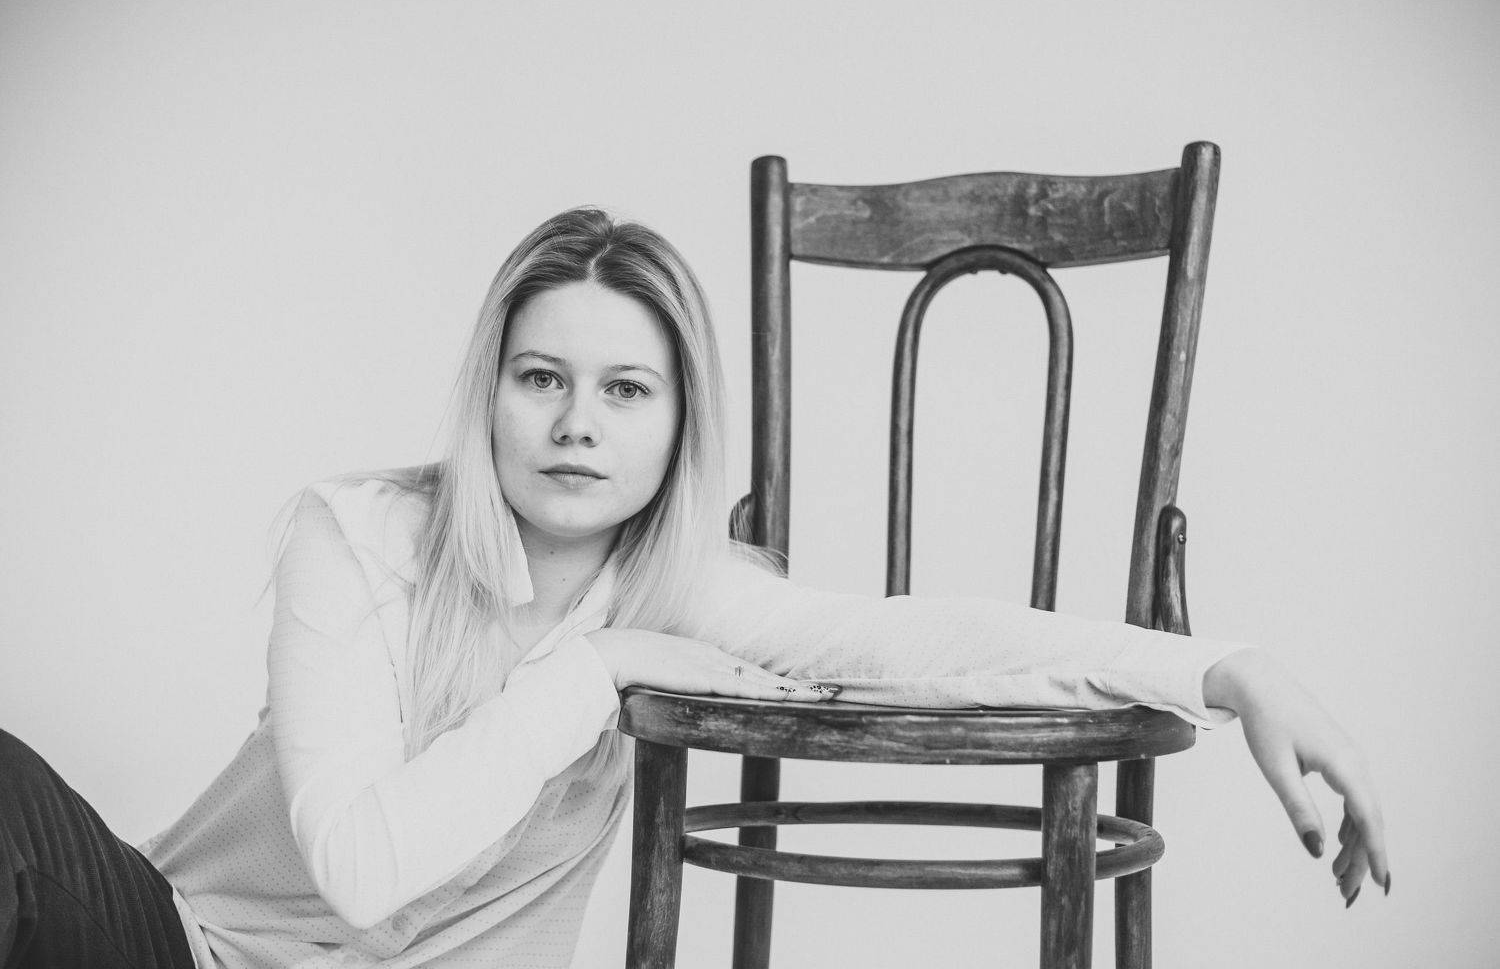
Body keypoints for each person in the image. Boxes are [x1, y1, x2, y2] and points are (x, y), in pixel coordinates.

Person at [0, 208, 1388, 968]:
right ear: (488, 394)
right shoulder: (360, 541)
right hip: (186, 954)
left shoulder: (681, 592)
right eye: (541, 378)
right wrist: (590, 673)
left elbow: (915, 641)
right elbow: (362, 872)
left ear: (678, 425)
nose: (576, 424)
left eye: (626, 390)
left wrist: (1226, 668)